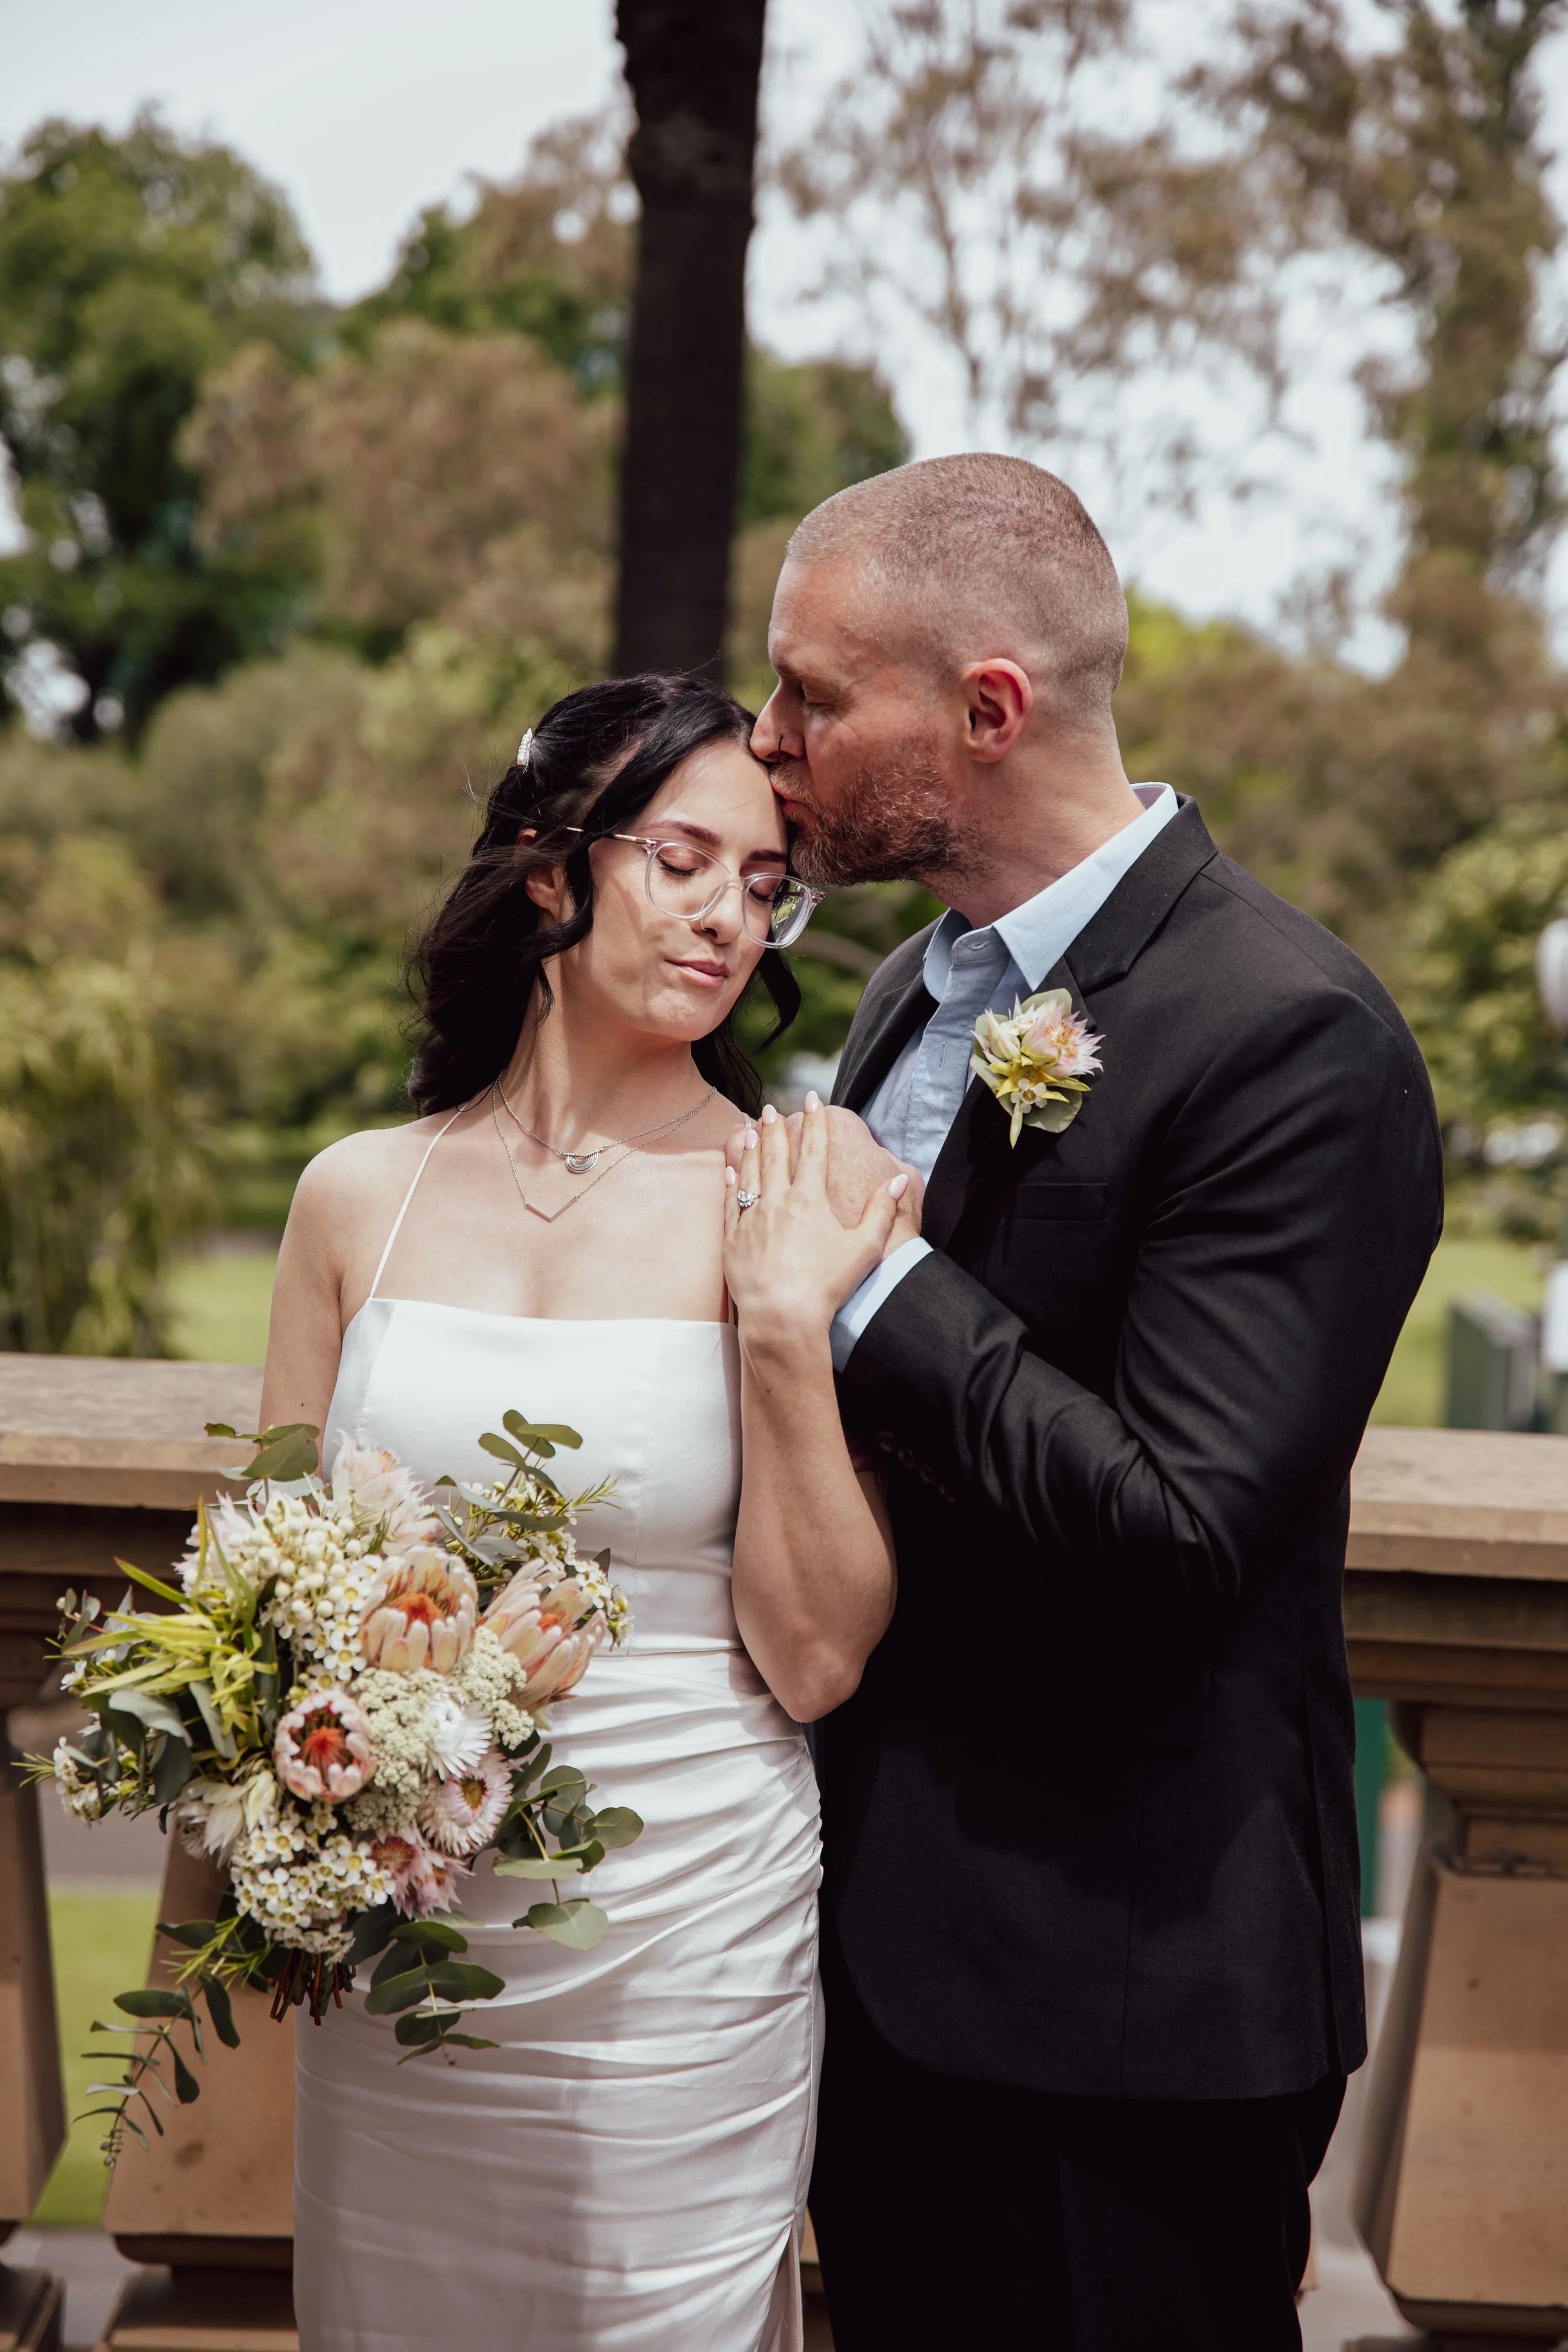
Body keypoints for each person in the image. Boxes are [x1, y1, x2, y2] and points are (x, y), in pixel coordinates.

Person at [739, 453, 1444, 2351]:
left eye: (813, 695)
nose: (768, 734)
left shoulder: (1290, 1034)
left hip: (1122, 2012)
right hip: (867, 1975)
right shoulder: (904, 991)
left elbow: (1182, 1529)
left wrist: (874, 1280)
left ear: (984, 709)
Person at [259, 673, 912, 2352]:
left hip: (683, 1931)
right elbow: (256, 1592)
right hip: (407, 1943)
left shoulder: (793, 1189)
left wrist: (779, 1322)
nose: (729, 918)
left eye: (764, 886)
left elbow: (822, 1651)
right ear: (551, 870)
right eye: (683, 862)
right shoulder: (357, 1198)